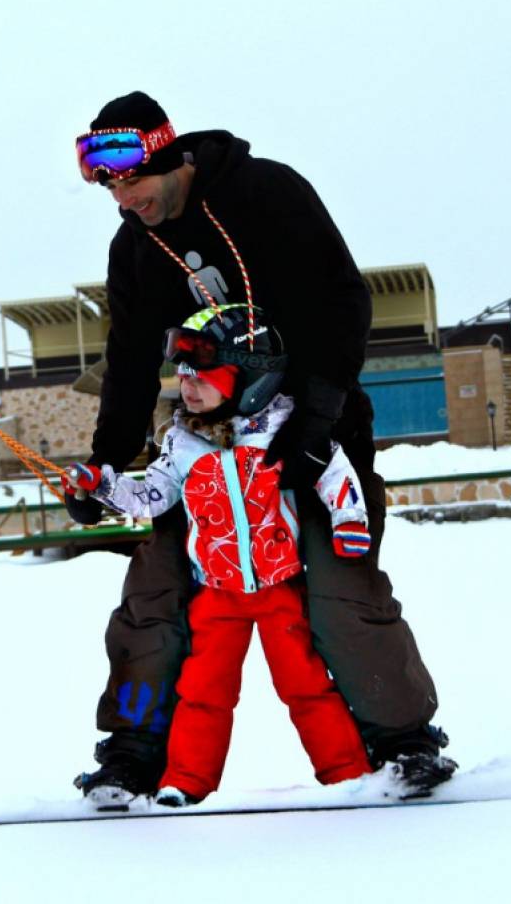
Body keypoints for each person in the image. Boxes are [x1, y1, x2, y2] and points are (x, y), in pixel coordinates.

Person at [69, 91, 452, 804]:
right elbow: (127, 363)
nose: (125, 200)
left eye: (133, 181)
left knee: (340, 591)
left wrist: (317, 421)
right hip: (202, 452)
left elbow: (342, 302)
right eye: (111, 187)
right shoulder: (134, 248)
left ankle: (404, 744)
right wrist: (108, 464)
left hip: (310, 427)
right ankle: (132, 754)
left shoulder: (266, 192)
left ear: (169, 156)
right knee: (154, 599)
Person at [65, 306, 373, 806]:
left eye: (201, 376)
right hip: (217, 595)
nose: (187, 387)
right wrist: (103, 486)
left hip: (279, 590)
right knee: (203, 692)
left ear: (250, 378)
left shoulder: (283, 428)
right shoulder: (182, 442)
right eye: (183, 376)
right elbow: (153, 497)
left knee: (306, 686)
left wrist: (350, 521)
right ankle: (185, 782)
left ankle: (348, 775)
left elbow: (334, 473)